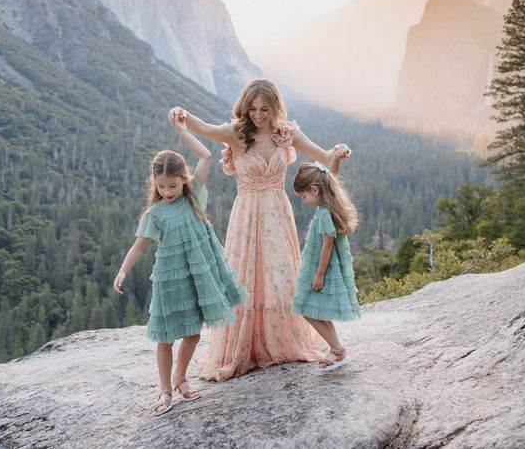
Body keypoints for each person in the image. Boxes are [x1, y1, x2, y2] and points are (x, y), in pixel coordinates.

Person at [168, 78, 351, 381]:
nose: (258, 115)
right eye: (252, 109)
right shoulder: (235, 134)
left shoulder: (286, 134)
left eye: (264, 109)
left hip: (278, 215)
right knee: (246, 280)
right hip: (246, 217)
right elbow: (201, 127)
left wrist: (339, 152)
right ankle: (247, 347)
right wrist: (181, 114)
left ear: (275, 108)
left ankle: (280, 341)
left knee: (283, 280)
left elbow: (325, 159)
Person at [112, 120, 247, 416]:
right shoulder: (155, 212)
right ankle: (164, 390)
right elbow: (139, 246)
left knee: (192, 333)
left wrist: (183, 132)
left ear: (184, 180)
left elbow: (206, 157)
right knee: (165, 337)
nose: (167, 191)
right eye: (161, 186)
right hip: (170, 278)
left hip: (197, 274)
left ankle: (181, 379)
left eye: (172, 185)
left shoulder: (194, 195)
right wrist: (122, 270)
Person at [291, 162, 361, 372]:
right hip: (320, 268)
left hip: (323, 270)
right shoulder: (326, 209)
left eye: (304, 196)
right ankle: (336, 348)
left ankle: (338, 350)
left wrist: (319, 274)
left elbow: (327, 245)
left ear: (314, 190)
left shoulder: (324, 213)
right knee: (317, 310)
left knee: (306, 309)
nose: (304, 201)